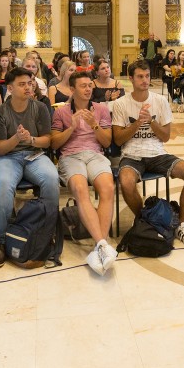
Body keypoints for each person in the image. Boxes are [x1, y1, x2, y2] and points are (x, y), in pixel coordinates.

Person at [113, 60, 184, 247]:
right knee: (126, 183)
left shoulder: (160, 101)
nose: (145, 80)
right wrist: (137, 123)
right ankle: (146, 220)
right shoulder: (121, 104)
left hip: (157, 152)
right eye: (140, 76)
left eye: (147, 76)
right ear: (131, 78)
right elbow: (119, 140)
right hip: (132, 154)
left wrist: (151, 122)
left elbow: (166, 137)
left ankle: (182, 225)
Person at [0, 68, 60, 269]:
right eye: (22, 84)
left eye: (30, 83)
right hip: (8, 157)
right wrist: (17, 138)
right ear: (9, 88)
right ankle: (0, 242)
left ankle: (46, 234)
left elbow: (47, 142)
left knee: (52, 179)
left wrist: (31, 139)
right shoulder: (0, 113)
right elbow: (0, 148)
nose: (28, 87)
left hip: (34, 155)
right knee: (3, 185)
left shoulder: (40, 108)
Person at [51, 71, 117, 274]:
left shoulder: (101, 109)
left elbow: (106, 142)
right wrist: (71, 127)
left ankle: (100, 245)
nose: (88, 89)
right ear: (72, 90)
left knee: (108, 188)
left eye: (90, 85)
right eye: (83, 86)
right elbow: (55, 145)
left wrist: (94, 125)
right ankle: (103, 245)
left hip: (95, 155)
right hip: (71, 156)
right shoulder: (61, 112)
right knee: (80, 190)